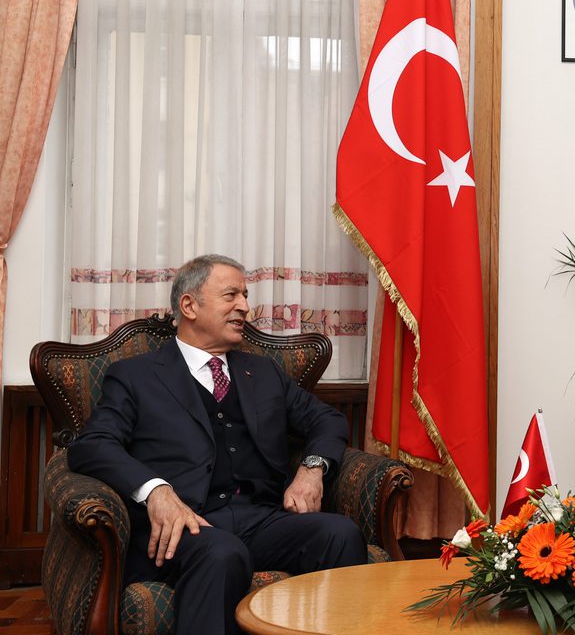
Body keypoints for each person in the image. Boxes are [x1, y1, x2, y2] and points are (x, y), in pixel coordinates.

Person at [68, 254, 367, 635]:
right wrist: (155, 491)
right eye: (231, 295)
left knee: (340, 534)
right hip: (187, 527)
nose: (245, 306)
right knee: (222, 553)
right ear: (189, 305)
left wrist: (312, 468)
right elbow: (92, 445)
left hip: (262, 519)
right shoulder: (134, 376)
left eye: (245, 295)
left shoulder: (262, 371)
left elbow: (326, 419)